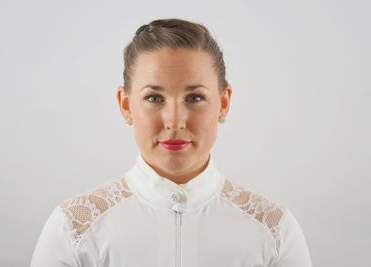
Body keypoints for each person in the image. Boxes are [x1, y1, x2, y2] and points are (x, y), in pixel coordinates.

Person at [30, 18, 313, 267]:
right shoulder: (74, 229)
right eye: (154, 98)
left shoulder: (275, 232)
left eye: (195, 98)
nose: (175, 121)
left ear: (223, 102)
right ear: (126, 105)